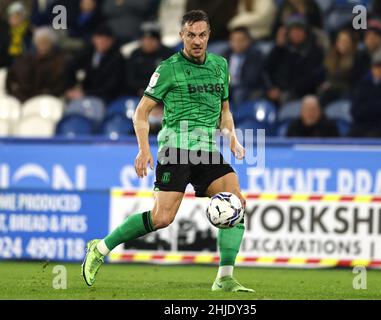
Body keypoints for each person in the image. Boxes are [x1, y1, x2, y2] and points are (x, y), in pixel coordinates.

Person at [81, 10, 254, 293]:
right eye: (191, 35)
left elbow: (225, 110)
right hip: (175, 150)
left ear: (209, 35)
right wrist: (143, 149)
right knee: (162, 218)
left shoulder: (221, 65)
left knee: (236, 204)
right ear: (181, 36)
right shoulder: (168, 68)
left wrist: (232, 138)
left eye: (202, 35)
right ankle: (99, 248)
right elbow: (141, 113)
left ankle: (224, 278)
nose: (197, 41)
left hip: (207, 151)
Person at [264, 15, 325, 105]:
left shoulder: (314, 51)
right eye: (293, 31)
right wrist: (271, 88)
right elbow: (267, 70)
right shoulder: (280, 49)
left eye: (300, 30)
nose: (296, 34)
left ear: (306, 32)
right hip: (277, 91)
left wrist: (286, 90)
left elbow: (311, 78)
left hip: (301, 93)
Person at [65, 25, 125, 103]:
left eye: (106, 39)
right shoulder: (87, 52)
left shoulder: (118, 58)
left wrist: (86, 93)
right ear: (94, 39)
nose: (102, 42)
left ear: (112, 41)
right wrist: (70, 89)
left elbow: (112, 85)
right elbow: (70, 67)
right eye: (99, 38)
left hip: (107, 98)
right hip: (84, 94)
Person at [6, 26, 66, 101]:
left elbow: (58, 86)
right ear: (35, 43)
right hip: (23, 97)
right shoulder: (26, 59)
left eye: (46, 42)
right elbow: (13, 77)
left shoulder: (59, 61)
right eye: (40, 42)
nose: (43, 45)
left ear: (52, 44)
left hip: (46, 100)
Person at [125, 24, 174, 97]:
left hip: (164, 94)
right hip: (138, 94)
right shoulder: (135, 55)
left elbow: (170, 79)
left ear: (158, 40)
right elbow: (130, 80)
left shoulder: (168, 54)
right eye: (145, 39)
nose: (148, 43)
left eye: (152, 39)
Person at [223, 26, 264, 104]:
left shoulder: (254, 55)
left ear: (248, 41)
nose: (237, 43)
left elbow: (251, 79)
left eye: (240, 40)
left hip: (244, 87)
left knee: (239, 93)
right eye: (234, 40)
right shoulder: (226, 54)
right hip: (228, 86)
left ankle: (237, 115)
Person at [319, 28, 359, 106]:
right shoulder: (331, 57)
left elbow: (353, 82)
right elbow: (325, 75)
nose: (342, 43)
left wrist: (331, 84)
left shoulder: (357, 58)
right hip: (331, 91)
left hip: (348, 92)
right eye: (340, 40)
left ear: (352, 43)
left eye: (345, 41)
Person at [0, 1, 32, 68]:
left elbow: (29, 51)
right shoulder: (5, 32)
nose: (15, 19)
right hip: (6, 65)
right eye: (13, 16)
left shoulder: (28, 31)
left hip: (23, 66)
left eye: (18, 16)